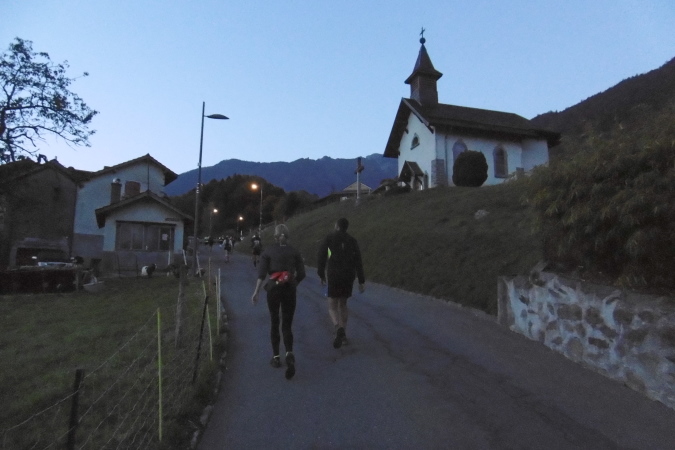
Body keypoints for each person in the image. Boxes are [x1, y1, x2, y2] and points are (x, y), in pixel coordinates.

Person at [251, 224, 306, 379]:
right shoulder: (294, 251)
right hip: (289, 289)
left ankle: (276, 357)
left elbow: (262, 274)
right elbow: (302, 273)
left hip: (273, 289)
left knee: (275, 321)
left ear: (275, 236)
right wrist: (294, 283)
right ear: (287, 236)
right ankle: (289, 353)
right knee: (287, 323)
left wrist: (256, 292)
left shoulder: (268, 251)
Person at [317, 218, 365, 349]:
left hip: (334, 275)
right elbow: (358, 261)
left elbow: (321, 256)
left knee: (332, 306)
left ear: (337, 226)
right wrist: (361, 280)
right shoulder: (352, 241)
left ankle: (338, 327)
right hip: (348, 275)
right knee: (343, 304)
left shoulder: (329, 238)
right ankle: (343, 335)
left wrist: (321, 274)